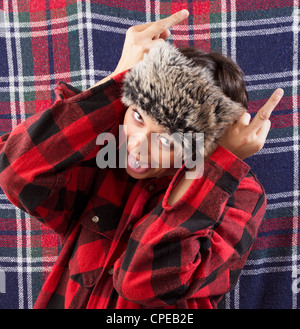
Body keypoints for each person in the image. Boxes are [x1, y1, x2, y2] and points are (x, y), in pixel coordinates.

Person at [0, 10, 283, 309]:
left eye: (166, 140)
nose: (138, 145)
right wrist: (117, 78)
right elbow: (16, 172)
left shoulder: (240, 198)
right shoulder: (103, 155)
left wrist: (215, 165)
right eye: (137, 116)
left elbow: (143, 285)